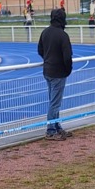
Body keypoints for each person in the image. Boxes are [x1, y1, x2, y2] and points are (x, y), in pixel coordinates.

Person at [37, 8, 73, 139]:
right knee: (55, 103)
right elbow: (67, 57)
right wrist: (68, 70)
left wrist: (48, 60)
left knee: (53, 101)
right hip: (59, 73)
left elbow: (40, 50)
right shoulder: (63, 35)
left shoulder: (45, 32)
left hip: (47, 71)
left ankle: (57, 126)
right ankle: (51, 130)